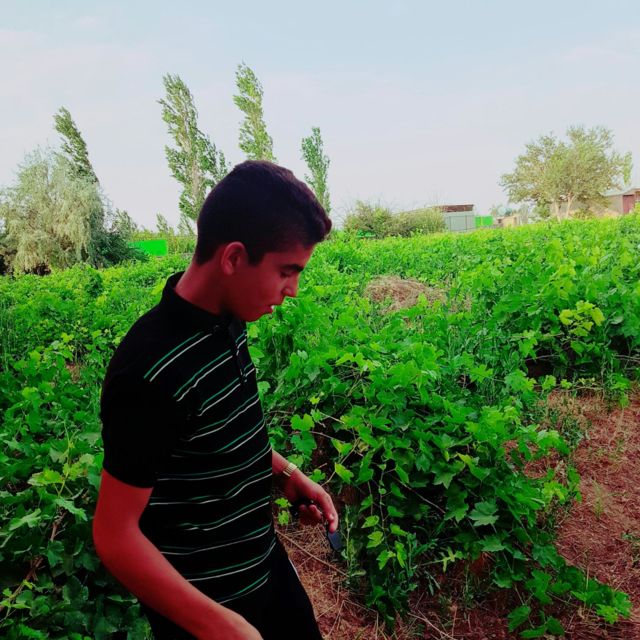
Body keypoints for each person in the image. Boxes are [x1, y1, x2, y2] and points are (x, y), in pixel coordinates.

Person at [92, 161, 338, 640]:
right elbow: (114, 535)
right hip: (204, 610)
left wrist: (285, 473)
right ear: (234, 258)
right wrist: (218, 625)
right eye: (286, 271)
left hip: (264, 569)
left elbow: (215, 433)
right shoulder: (149, 373)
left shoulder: (227, 318)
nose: (292, 290)